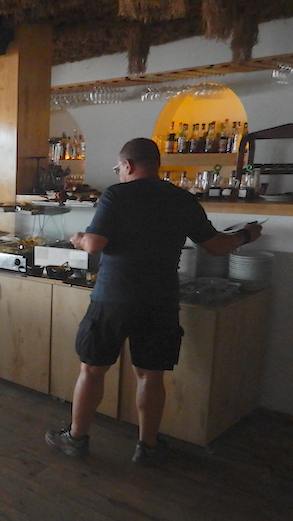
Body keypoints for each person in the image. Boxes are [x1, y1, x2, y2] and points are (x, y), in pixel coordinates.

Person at [45, 138, 263, 466]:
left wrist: (78, 238)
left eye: (118, 168)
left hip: (114, 297)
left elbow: (94, 244)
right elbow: (217, 246)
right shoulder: (183, 199)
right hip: (160, 299)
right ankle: (147, 447)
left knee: (92, 370)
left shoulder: (117, 195)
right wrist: (246, 234)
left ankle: (76, 439)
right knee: (151, 376)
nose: (119, 173)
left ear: (128, 165)